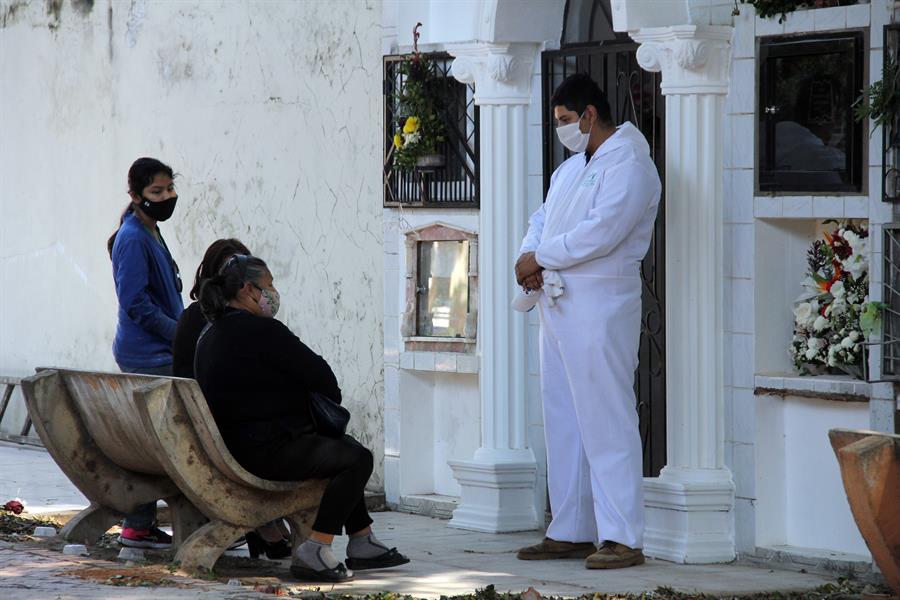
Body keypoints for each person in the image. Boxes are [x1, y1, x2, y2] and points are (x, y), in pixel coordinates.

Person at [514, 73, 661, 569]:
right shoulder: (571, 168)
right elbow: (541, 219)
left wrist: (542, 257)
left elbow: (603, 233)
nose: (561, 129)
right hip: (558, 304)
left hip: (600, 304)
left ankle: (622, 536)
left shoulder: (631, 165)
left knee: (606, 417)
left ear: (590, 115)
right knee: (563, 419)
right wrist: (528, 255)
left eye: (564, 121)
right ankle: (572, 528)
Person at [194, 254, 409, 582]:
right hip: (266, 453)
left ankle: (362, 539)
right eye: (269, 286)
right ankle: (316, 548)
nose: (273, 292)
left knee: (342, 446)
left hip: (231, 449)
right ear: (249, 290)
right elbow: (323, 379)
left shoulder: (209, 335)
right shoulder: (263, 331)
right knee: (357, 459)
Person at [172, 237, 291, 559]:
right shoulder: (232, 322)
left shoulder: (191, 316)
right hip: (222, 434)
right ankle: (268, 527)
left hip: (192, 427)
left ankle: (268, 528)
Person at [108, 157, 184, 549]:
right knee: (173, 440)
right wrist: (182, 335)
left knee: (154, 442)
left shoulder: (150, 230)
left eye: (170, 189)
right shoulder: (134, 237)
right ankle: (193, 519)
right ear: (136, 196)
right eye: (157, 192)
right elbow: (136, 303)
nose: (167, 197)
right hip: (150, 356)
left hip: (160, 350)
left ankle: (139, 524)